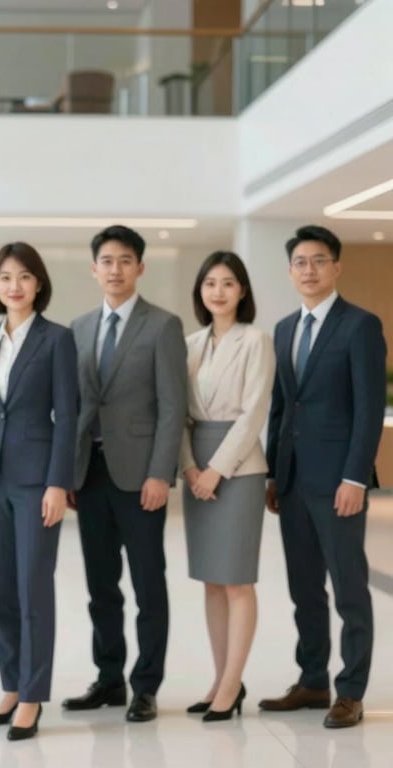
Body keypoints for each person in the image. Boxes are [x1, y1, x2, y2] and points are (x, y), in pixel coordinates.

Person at [259, 225, 387, 729]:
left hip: (338, 483)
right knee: (305, 589)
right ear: (290, 271)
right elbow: (280, 407)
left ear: (336, 267)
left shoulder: (360, 326)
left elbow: (368, 409)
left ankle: (350, 691)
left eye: (318, 261)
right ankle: (313, 680)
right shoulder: (285, 328)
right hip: (292, 482)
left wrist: (355, 477)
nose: (308, 270)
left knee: (350, 589)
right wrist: (274, 474)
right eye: (300, 262)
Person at [63, 224, 186, 723]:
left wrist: (161, 473)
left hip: (140, 477)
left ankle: (146, 685)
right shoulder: (78, 328)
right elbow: (74, 406)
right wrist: (68, 474)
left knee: (148, 584)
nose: (115, 269)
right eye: (107, 261)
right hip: (90, 473)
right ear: (94, 269)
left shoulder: (163, 326)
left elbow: (172, 407)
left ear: (140, 267)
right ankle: (109, 678)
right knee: (101, 585)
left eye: (125, 260)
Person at [0, 242, 77, 741]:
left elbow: (68, 415)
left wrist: (58, 482)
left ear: (38, 284)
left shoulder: (57, 339)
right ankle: (11, 685)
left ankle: (32, 696)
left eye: (24, 276)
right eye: (5, 277)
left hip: (34, 481)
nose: (14, 285)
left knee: (33, 588)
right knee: (1, 591)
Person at [179, 251, 275, 722]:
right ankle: (221, 681)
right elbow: (177, 412)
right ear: (200, 291)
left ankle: (233, 683)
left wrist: (216, 470)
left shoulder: (256, 340)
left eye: (228, 283)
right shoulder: (189, 343)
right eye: (210, 283)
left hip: (238, 468)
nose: (218, 291)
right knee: (212, 581)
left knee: (237, 579)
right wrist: (189, 468)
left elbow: (255, 412)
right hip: (195, 463)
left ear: (242, 291)